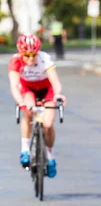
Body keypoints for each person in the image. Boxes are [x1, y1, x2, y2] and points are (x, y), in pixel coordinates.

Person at [8, 34, 66, 178]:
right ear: (21, 53)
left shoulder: (44, 58)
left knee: (47, 124)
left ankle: (50, 156)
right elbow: (14, 85)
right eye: (26, 55)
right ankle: (25, 149)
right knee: (28, 111)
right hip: (28, 89)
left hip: (47, 89)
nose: (30, 59)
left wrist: (58, 94)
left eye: (33, 55)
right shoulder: (15, 61)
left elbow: (55, 81)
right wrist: (20, 101)